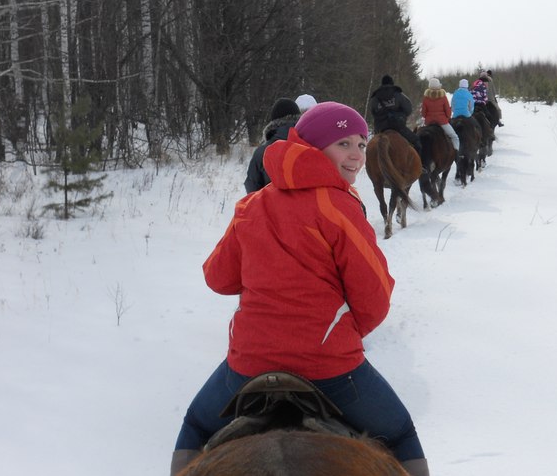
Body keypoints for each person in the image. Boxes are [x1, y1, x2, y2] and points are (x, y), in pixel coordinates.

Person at [170, 102, 429, 476]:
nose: (357, 155)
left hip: (248, 363)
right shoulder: (340, 205)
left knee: (195, 426)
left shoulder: (252, 204)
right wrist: (346, 333)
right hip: (331, 368)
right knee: (401, 433)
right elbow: (375, 295)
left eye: (361, 142)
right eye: (343, 143)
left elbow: (218, 277)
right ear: (312, 146)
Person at [243, 98, 301, 194]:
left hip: (272, 208)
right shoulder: (312, 146)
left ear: (273, 122)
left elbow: (252, 188)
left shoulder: (262, 153)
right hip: (309, 208)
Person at [368, 75, 422, 155]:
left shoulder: (375, 98)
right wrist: (400, 115)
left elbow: (373, 112)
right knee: (417, 142)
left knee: (371, 150)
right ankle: (422, 166)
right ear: (392, 83)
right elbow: (408, 109)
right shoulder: (398, 94)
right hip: (398, 127)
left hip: (380, 128)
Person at [421, 78, 459, 152]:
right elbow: (448, 111)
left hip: (429, 122)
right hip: (442, 122)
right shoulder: (443, 97)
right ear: (439, 86)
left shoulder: (426, 98)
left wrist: (427, 117)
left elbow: (423, 113)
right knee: (454, 136)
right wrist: (447, 118)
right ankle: (456, 153)